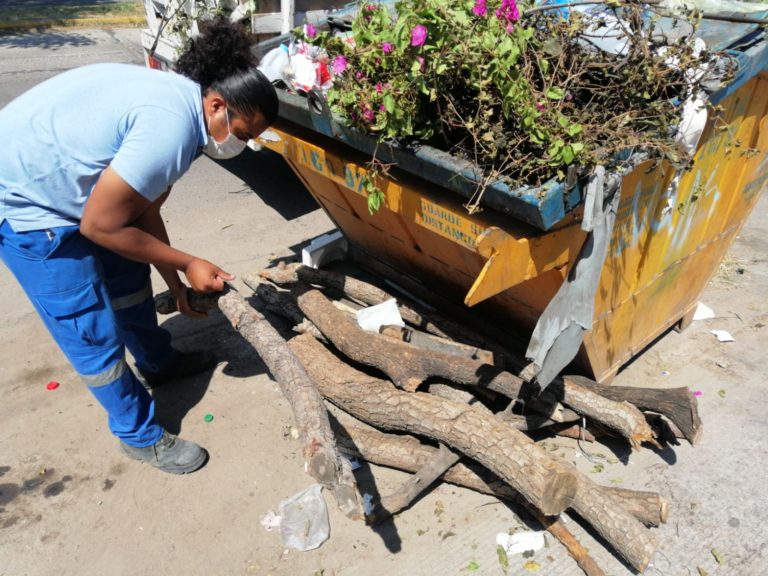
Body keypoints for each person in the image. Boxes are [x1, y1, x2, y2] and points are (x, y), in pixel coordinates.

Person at [0, 18, 278, 475]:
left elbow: (143, 212)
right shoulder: (170, 127)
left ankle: (157, 361)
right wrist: (189, 261)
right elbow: (101, 227)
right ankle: (138, 435)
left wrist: (176, 279)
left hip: (76, 193)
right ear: (216, 104)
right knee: (91, 330)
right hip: (30, 207)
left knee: (129, 279)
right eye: (243, 133)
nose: (242, 145)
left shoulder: (184, 108)